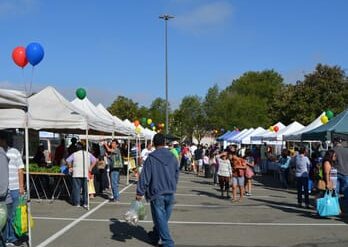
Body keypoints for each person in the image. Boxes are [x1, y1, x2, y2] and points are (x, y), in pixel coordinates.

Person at [136, 133, 179, 247]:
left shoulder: (151, 158)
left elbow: (145, 177)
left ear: (154, 144)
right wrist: (173, 185)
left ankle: (168, 243)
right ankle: (155, 236)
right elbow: (176, 173)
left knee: (160, 219)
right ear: (165, 143)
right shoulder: (172, 156)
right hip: (170, 191)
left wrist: (140, 192)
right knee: (162, 218)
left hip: (157, 192)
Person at [0, 133, 24, 246]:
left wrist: (21, 187)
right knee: (4, 216)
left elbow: (20, 170)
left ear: (4, 140)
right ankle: (5, 238)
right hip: (3, 190)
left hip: (14, 188)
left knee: (14, 215)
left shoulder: (14, 152)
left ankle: (12, 237)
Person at [66, 142, 97, 208]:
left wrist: (70, 167)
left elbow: (68, 160)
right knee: (85, 189)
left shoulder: (74, 154)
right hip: (86, 173)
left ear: (77, 148)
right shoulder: (88, 154)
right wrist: (91, 167)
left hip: (76, 173)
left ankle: (77, 203)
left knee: (77, 189)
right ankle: (85, 202)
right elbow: (95, 160)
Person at [333, 138, 348, 203]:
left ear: (335, 142)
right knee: (346, 190)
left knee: (335, 191)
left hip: (334, 172)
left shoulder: (332, 150)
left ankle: (336, 207)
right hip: (346, 172)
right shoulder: (347, 150)